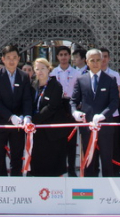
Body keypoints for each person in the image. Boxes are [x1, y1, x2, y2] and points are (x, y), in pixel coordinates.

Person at [70, 48, 119, 177]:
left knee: (107, 161)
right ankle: (88, 193)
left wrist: (103, 115)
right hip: (87, 128)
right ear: (87, 62)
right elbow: (73, 101)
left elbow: (114, 102)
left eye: (98, 60)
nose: (96, 63)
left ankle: (108, 193)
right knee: (88, 162)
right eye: (93, 60)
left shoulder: (110, 79)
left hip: (105, 127)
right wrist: (75, 112)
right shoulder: (81, 80)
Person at [0, 44, 33, 175]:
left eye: (14, 57)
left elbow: (27, 99)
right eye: (8, 57)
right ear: (3, 59)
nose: (11, 60)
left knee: (17, 157)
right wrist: (10, 116)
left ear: (19, 59)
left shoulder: (24, 76)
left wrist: (27, 116)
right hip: (0, 122)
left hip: (18, 124)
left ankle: (17, 186)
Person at [29, 57, 68, 176]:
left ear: (49, 69)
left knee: (52, 163)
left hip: (51, 131)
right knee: (37, 162)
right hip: (36, 131)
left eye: (43, 68)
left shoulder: (56, 85)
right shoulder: (32, 85)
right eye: (37, 69)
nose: (40, 71)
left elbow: (52, 106)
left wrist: (35, 120)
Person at [50, 46, 80, 175]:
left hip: (71, 105)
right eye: (61, 55)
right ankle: (59, 168)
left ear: (69, 56)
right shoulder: (52, 73)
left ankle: (72, 168)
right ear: (57, 57)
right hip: (57, 106)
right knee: (58, 139)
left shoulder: (77, 73)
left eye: (65, 54)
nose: (63, 57)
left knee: (71, 140)